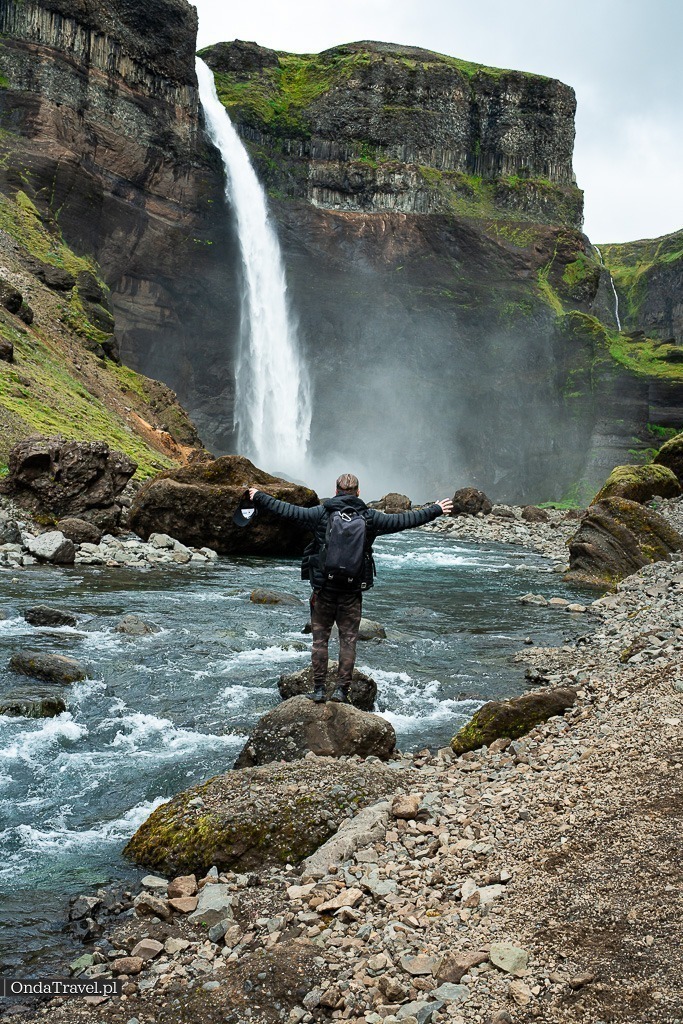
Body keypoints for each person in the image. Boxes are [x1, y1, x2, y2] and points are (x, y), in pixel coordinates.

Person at [248, 474, 453, 704]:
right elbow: (405, 521)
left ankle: (318, 689)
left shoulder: (320, 514)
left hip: (323, 589)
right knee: (348, 641)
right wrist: (435, 509)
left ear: (335, 491)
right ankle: (341, 691)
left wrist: (259, 496)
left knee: (319, 641)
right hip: (351, 592)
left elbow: (286, 510)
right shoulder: (370, 518)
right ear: (358, 492)